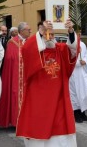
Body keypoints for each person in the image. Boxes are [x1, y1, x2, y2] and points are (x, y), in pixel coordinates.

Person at [16, 19, 79, 147]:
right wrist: (40, 32)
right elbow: (27, 49)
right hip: (39, 101)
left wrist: (71, 32)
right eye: (45, 34)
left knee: (60, 131)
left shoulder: (60, 50)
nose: (49, 36)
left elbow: (73, 50)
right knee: (39, 129)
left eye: (51, 34)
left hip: (59, 100)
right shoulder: (35, 52)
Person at [0, 22, 31, 128]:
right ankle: (16, 121)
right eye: (28, 30)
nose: (30, 31)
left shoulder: (30, 41)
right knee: (16, 96)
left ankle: (27, 120)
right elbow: (10, 60)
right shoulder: (12, 42)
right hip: (16, 76)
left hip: (28, 77)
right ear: (21, 31)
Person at [69, 41, 87, 123]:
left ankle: (82, 111)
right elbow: (68, 59)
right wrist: (78, 63)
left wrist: (85, 61)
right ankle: (76, 112)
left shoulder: (83, 44)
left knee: (85, 91)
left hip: (82, 73)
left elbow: (86, 55)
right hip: (74, 73)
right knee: (75, 93)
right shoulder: (69, 44)